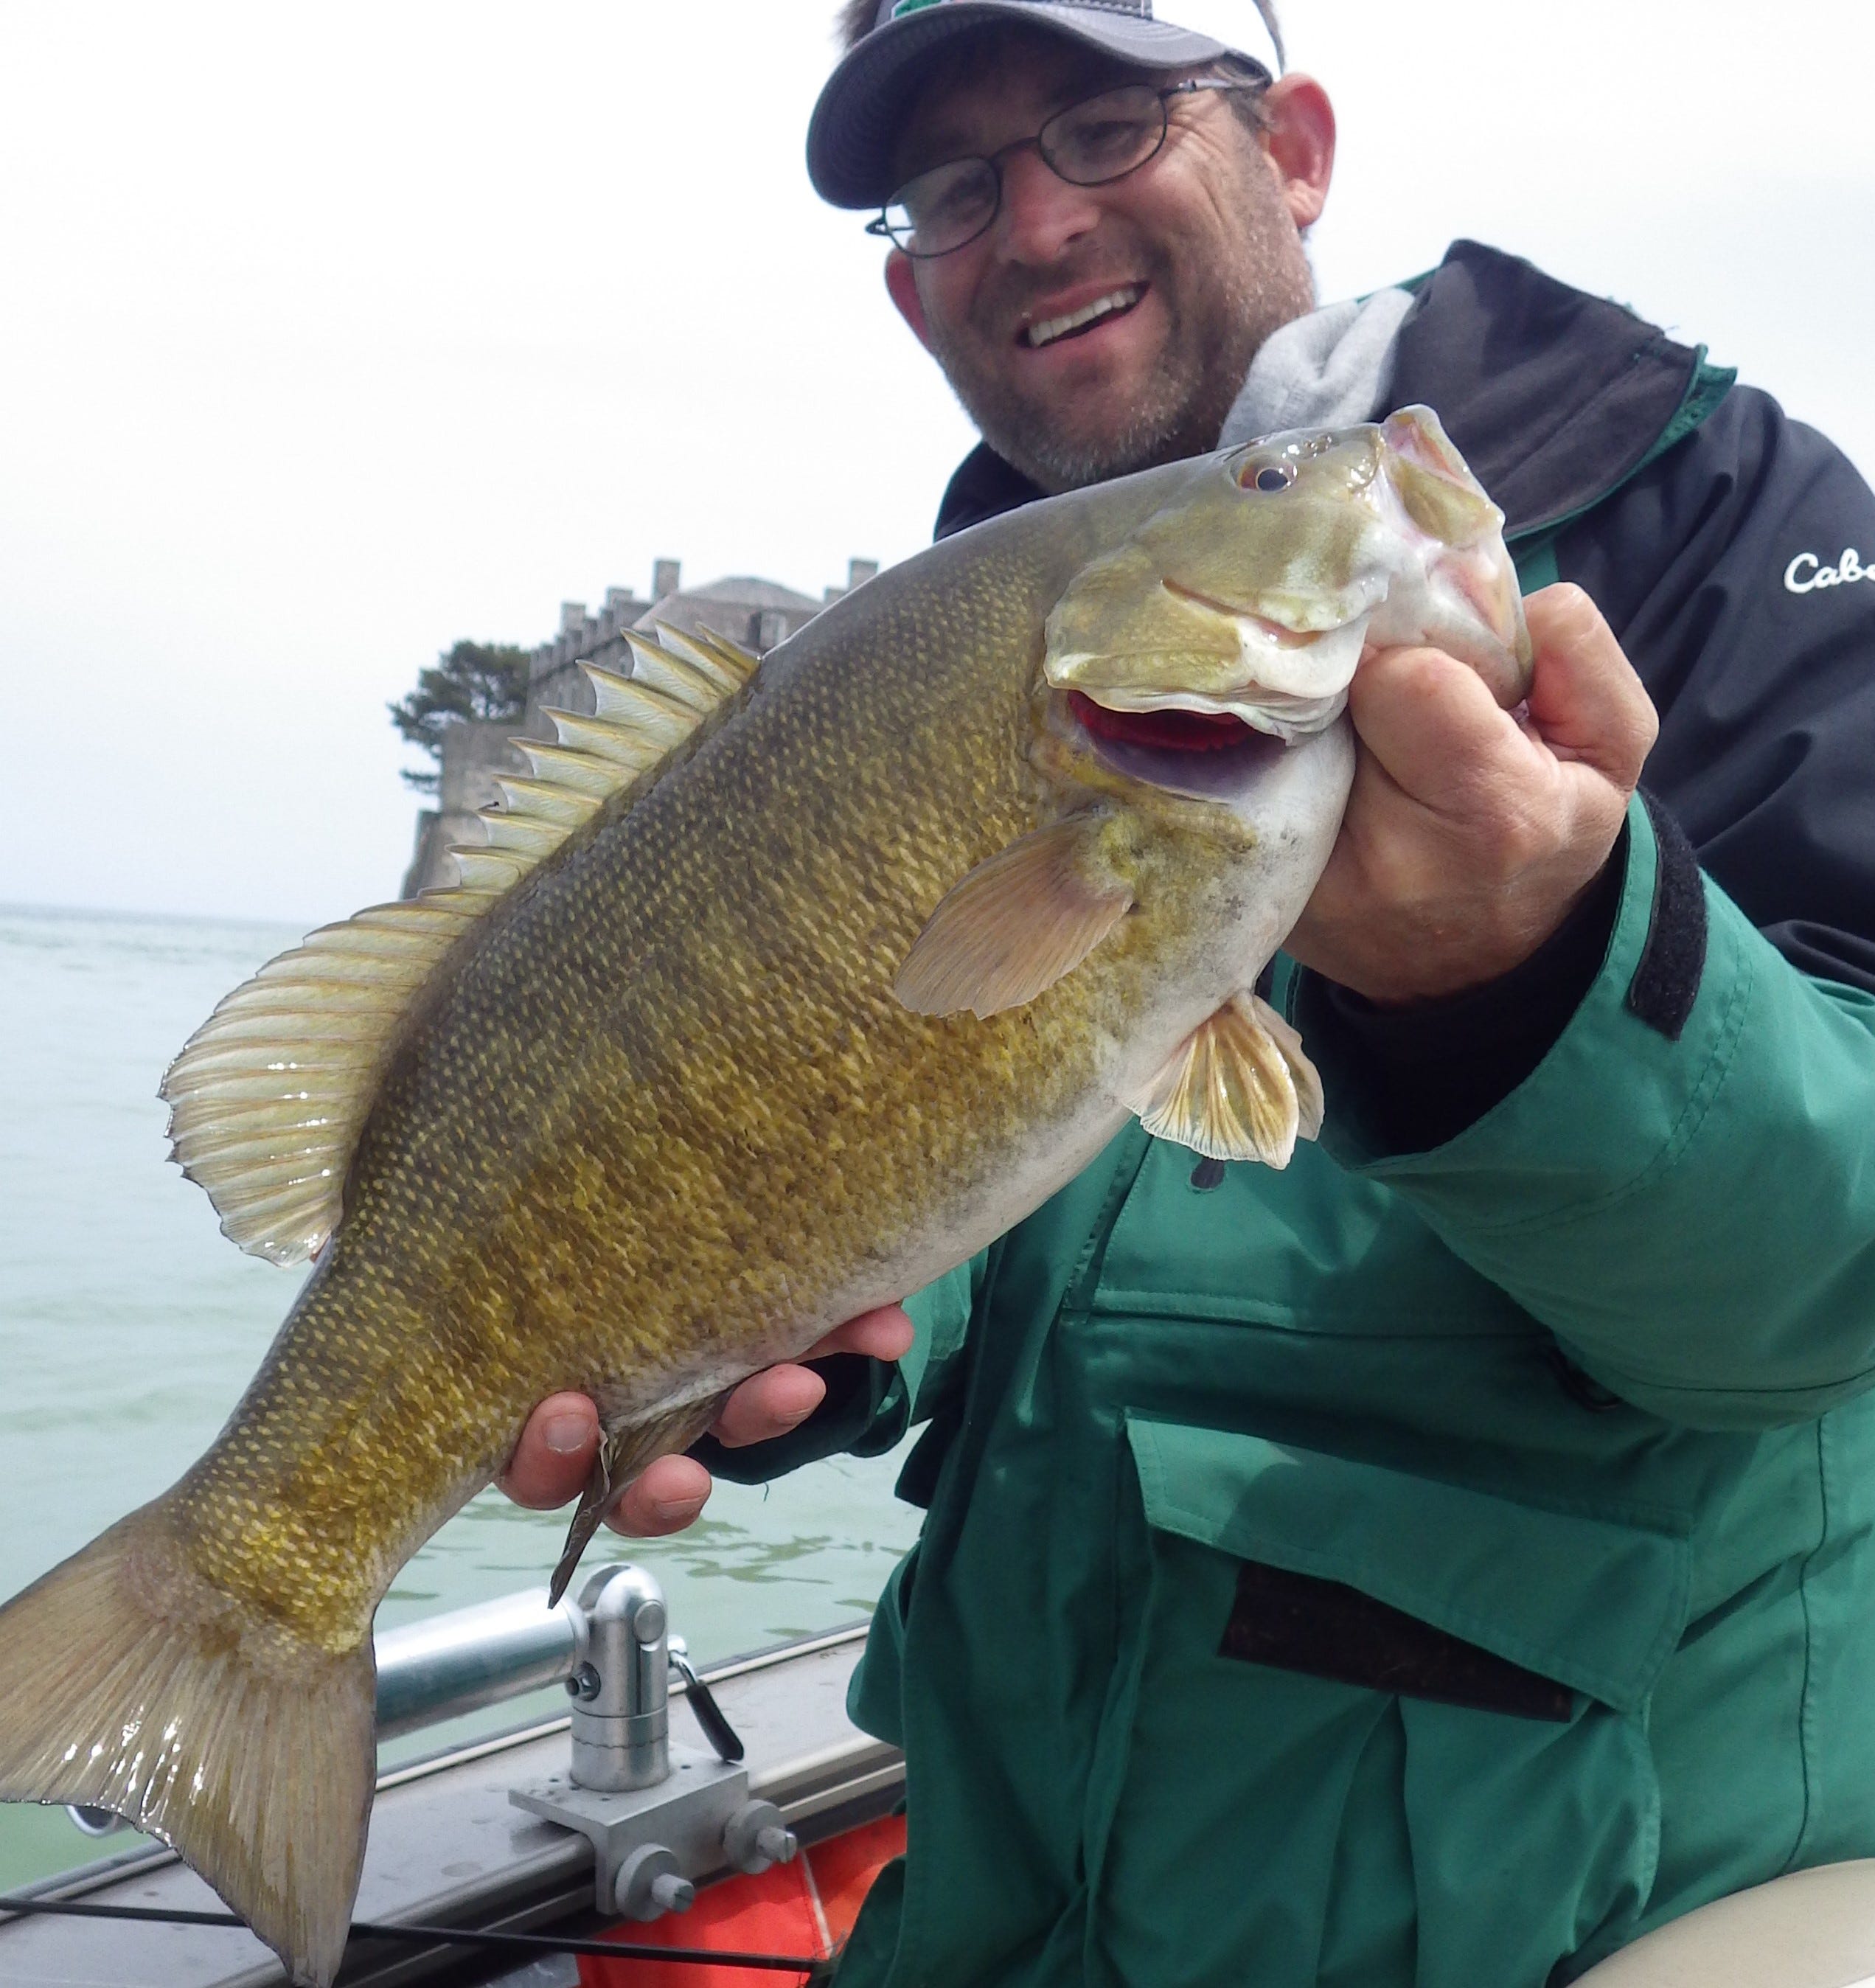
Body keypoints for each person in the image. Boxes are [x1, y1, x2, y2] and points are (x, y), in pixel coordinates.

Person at [501, 4, 1875, 1981]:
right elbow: (991, 1144)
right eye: (957, 187)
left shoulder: (1714, 514)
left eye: (1102, 123)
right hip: (1008, 1899)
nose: (1036, 222)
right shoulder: (954, 656)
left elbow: (1827, 1292)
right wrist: (814, 1336)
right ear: (911, 293)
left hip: (1585, 1905)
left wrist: (1537, 984)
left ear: (1296, 149)